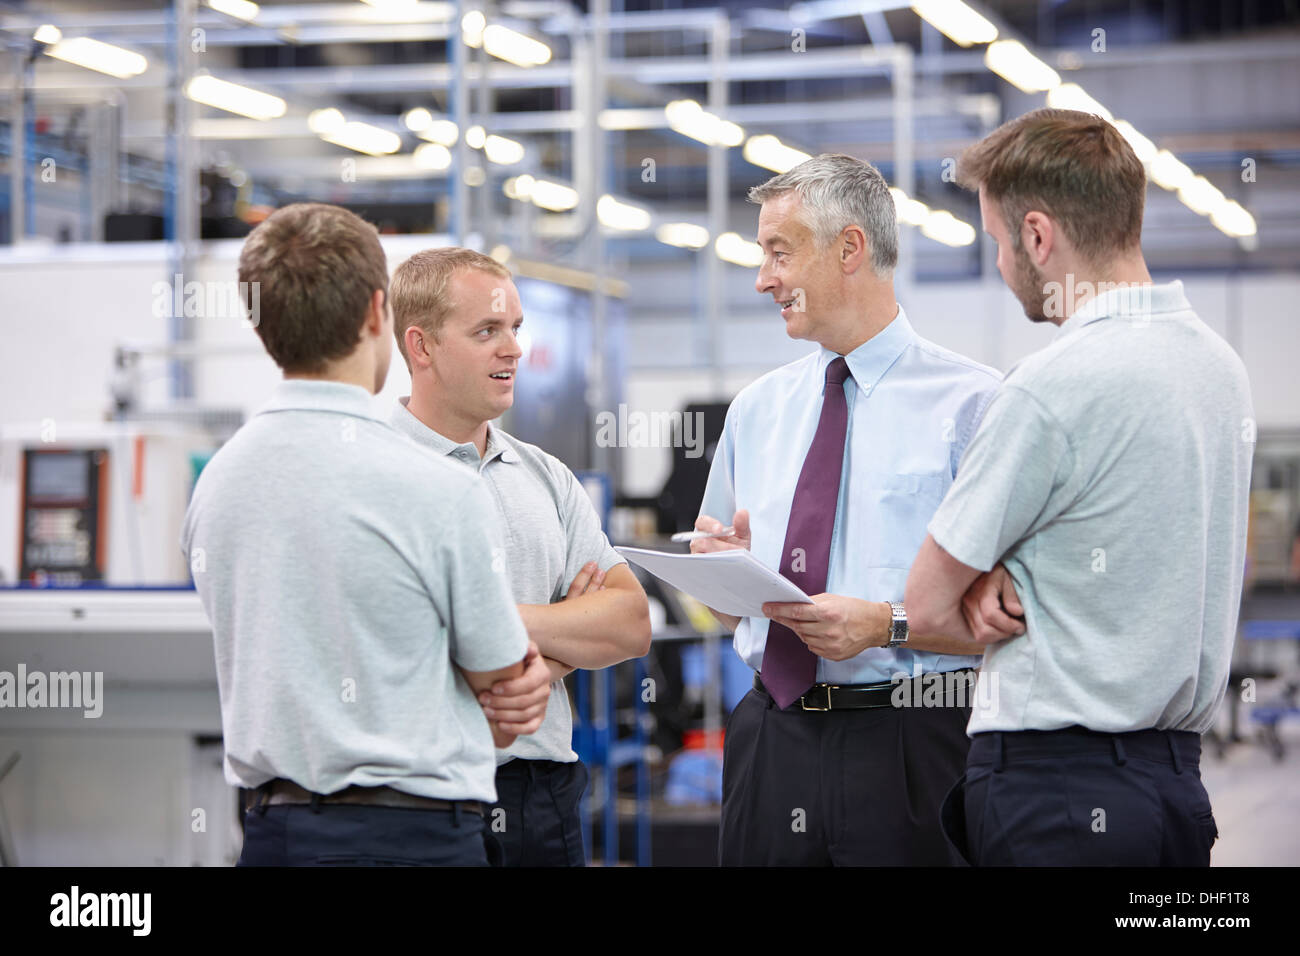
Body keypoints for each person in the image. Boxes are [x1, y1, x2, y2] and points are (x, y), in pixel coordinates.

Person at [904, 108, 1255, 866]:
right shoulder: (1220, 370)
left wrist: (971, 589)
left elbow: (925, 607)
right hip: (1173, 791)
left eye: (998, 243)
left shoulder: (1049, 386)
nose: (1001, 266)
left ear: (1038, 236)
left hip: (1054, 794)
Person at [181, 203, 552, 867]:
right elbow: (506, 682)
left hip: (274, 833)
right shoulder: (436, 483)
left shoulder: (218, 482)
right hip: (416, 841)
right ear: (378, 314)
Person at [692, 154, 1002, 866]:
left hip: (913, 741)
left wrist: (886, 625)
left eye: (779, 252)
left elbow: (1017, 615)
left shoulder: (975, 406)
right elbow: (732, 612)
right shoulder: (757, 411)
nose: (764, 277)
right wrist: (723, 575)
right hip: (772, 741)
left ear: (851, 249)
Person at [387, 247, 652, 866]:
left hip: (542, 797)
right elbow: (401, 645)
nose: (513, 349)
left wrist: (483, 619)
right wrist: (565, 630)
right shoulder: (376, 472)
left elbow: (630, 624)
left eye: (515, 329)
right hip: (418, 797)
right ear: (421, 347)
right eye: (487, 331)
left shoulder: (547, 476)